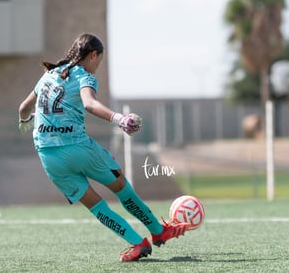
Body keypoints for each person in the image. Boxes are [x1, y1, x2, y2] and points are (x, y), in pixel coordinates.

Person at [18, 33, 190, 262]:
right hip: (78, 148)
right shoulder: (84, 75)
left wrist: (24, 122)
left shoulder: (48, 75)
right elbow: (89, 103)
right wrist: (118, 118)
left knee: (96, 205)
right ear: (93, 55)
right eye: (100, 59)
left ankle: (138, 243)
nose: (99, 65)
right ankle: (158, 231)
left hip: (49, 158)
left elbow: (23, 108)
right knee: (120, 185)